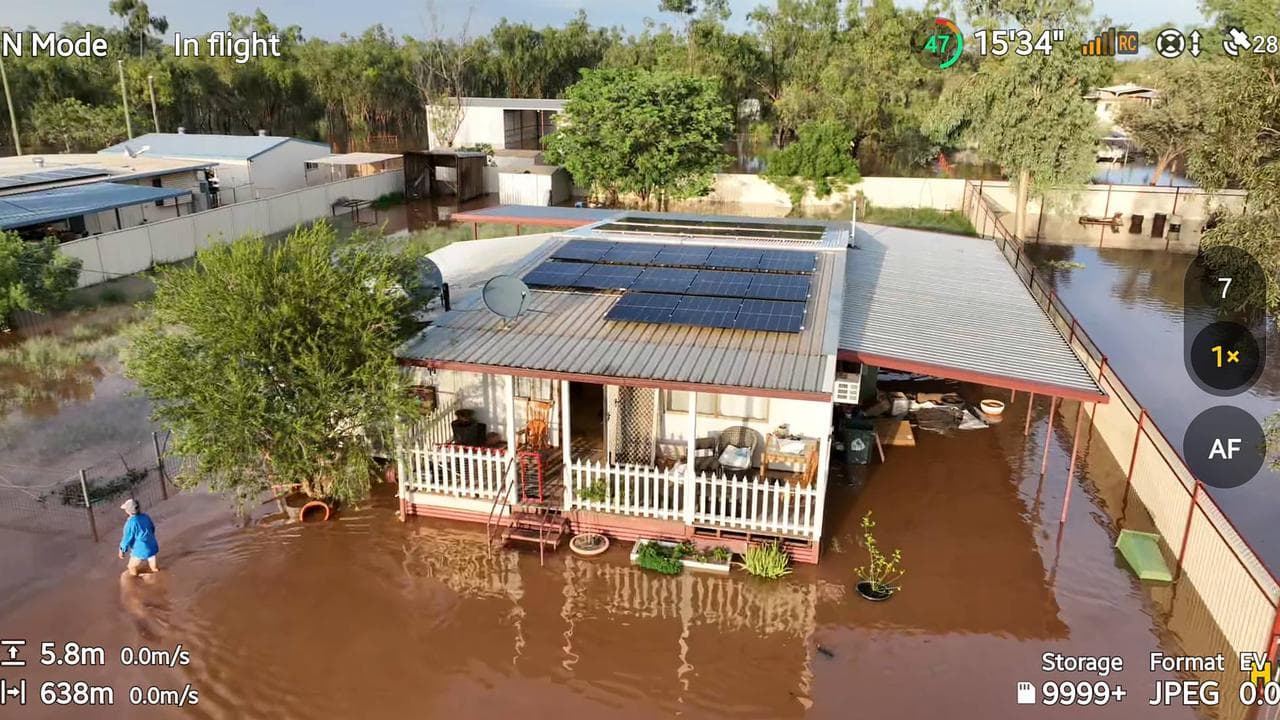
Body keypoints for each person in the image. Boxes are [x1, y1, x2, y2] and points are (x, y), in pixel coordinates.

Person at [118, 498, 159, 576]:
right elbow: (152, 528)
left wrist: (122, 550)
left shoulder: (130, 523)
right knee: (154, 567)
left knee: (131, 567)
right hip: (152, 545)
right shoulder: (146, 516)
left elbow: (126, 539)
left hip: (140, 549)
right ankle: (156, 573)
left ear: (128, 511)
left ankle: (136, 579)